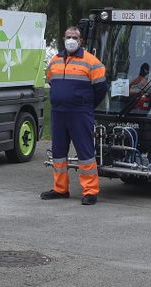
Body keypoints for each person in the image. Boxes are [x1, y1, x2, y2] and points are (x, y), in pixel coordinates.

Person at [42, 24, 106, 205]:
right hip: (58, 113)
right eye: (68, 37)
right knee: (58, 153)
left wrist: (86, 104)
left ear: (81, 40)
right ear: (64, 39)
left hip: (80, 113)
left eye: (74, 37)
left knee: (85, 153)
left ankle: (90, 192)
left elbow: (101, 88)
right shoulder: (55, 60)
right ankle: (60, 189)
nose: (71, 40)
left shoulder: (91, 61)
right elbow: (51, 81)